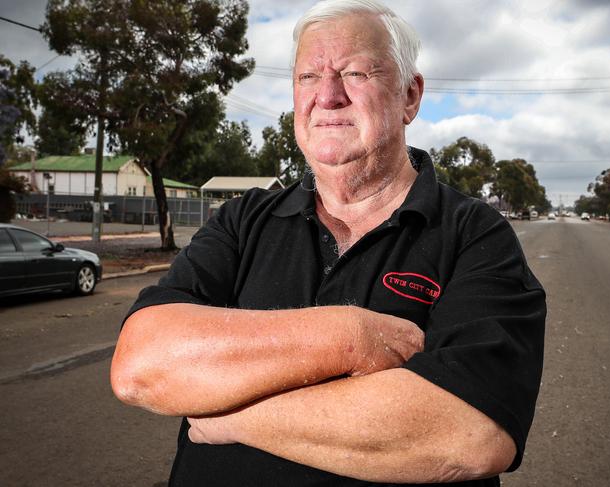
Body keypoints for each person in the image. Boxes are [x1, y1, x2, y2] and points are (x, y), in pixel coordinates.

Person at [111, 0, 545, 485]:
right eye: (307, 78)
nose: (328, 95)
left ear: (410, 96)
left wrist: (231, 417)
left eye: (356, 72)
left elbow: (468, 435)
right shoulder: (242, 220)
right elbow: (141, 364)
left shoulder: (474, 233)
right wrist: (350, 337)